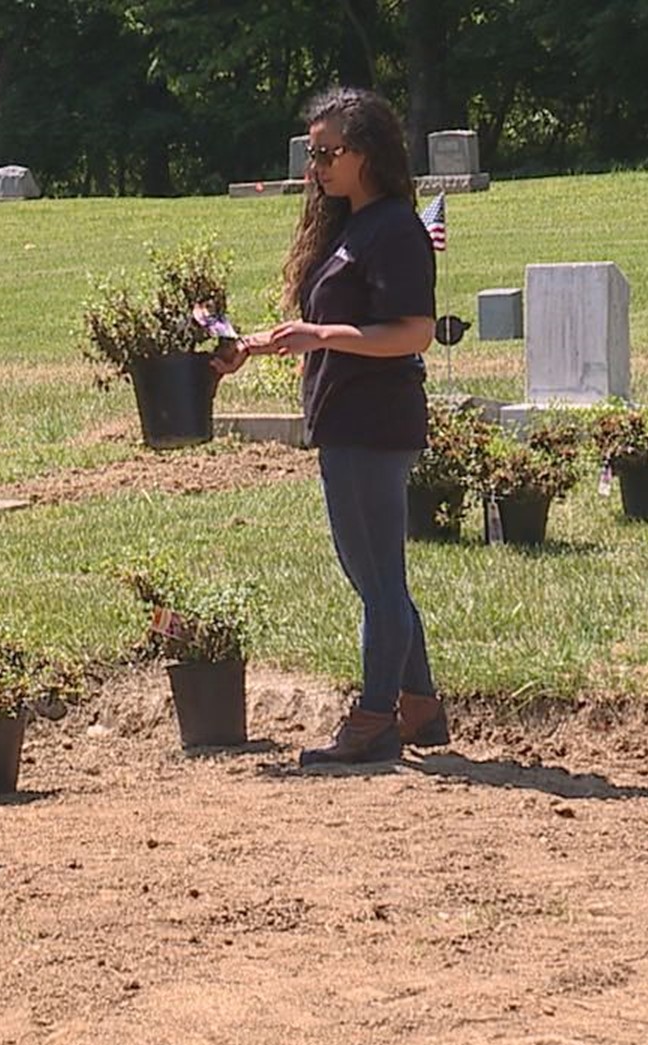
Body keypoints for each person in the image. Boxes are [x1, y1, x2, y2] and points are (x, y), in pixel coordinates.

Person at [236, 86, 448, 765]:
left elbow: (413, 333)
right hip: (344, 421)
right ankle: (418, 707)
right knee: (375, 575)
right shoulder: (348, 227)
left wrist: (321, 332)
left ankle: (374, 718)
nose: (317, 167)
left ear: (369, 153)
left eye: (330, 153)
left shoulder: (394, 229)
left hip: (375, 423)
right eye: (313, 154)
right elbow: (330, 329)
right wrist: (259, 344)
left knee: (377, 578)